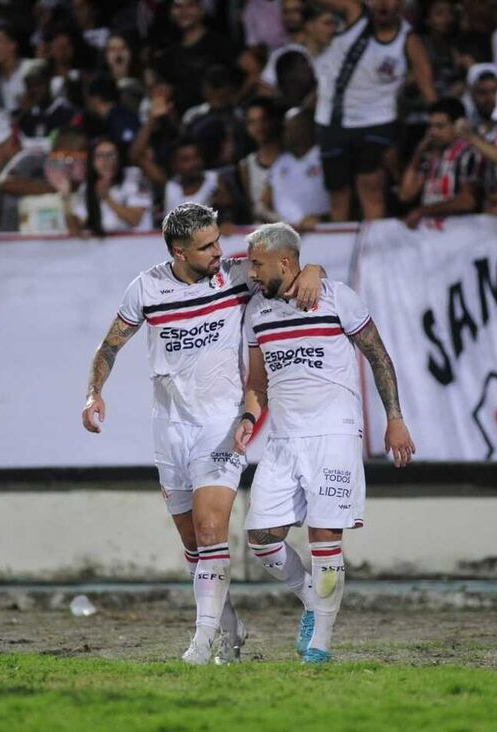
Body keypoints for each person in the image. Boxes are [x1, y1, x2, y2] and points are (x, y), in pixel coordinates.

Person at [81, 202, 325, 665]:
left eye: (217, 241)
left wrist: (314, 265)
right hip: (169, 428)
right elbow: (110, 344)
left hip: (220, 425)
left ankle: (201, 643)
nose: (219, 251)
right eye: (206, 246)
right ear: (178, 251)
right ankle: (230, 631)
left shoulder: (234, 276)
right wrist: (93, 392)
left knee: (213, 531)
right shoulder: (147, 288)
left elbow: (284, 266)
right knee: (195, 547)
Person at [234, 222, 414, 664]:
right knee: (261, 537)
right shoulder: (258, 312)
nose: (251, 273)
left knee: (324, 539)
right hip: (283, 439)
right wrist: (247, 416)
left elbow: (378, 354)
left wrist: (395, 419)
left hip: (334, 434)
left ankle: (320, 646)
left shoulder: (337, 297)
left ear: (286, 262)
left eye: (257, 265)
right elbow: (257, 382)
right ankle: (313, 600)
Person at [312, 0, 436, 221]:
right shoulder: (354, 14)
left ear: (401, 5)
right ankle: (338, 247)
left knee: (371, 187)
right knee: (338, 194)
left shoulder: (409, 41)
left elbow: (427, 85)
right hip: (333, 120)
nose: (383, 4)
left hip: (378, 121)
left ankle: (373, 246)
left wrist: (439, 119)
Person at [398, 98, 482, 228]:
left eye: (440, 126)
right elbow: (406, 194)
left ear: (458, 125)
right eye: (430, 126)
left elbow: (467, 201)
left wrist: (423, 211)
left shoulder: (469, 154)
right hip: (430, 230)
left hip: (459, 228)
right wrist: (418, 153)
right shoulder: (429, 155)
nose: (433, 132)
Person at [262, 108, 330, 231]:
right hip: (286, 235)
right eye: (285, 128)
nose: (285, 133)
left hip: (322, 231)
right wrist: (282, 223)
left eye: (291, 128)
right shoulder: (280, 163)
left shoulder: (325, 157)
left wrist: (323, 219)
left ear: (307, 128)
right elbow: (263, 204)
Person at [67, 137, 152, 236]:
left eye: (111, 155)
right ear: (92, 162)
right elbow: (76, 230)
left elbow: (135, 220)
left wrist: (107, 198)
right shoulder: (86, 187)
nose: (106, 161)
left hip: (137, 245)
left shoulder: (134, 177)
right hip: (104, 247)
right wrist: (65, 196)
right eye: (100, 156)